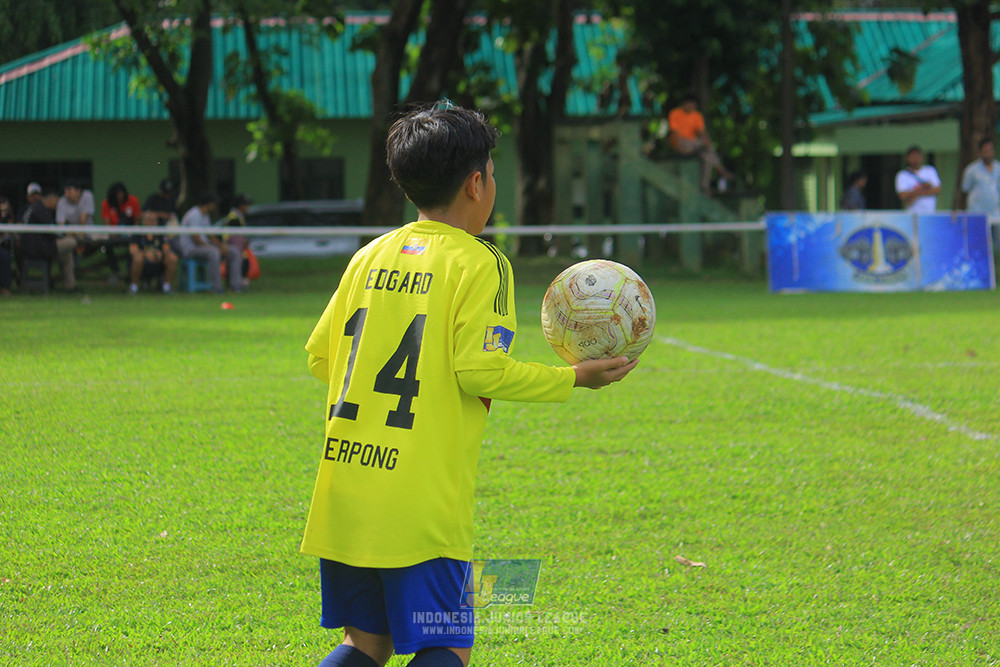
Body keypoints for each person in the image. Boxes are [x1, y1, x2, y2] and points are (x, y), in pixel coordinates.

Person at [301, 103, 638, 667]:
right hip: (419, 505)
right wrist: (571, 379)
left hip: (346, 488)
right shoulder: (481, 263)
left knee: (364, 644)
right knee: (445, 642)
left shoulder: (368, 255)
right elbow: (479, 371)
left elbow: (320, 357)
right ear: (477, 182)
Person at [667, 94, 733, 195]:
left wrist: (708, 143)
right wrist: (680, 148)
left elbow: (702, 132)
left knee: (707, 156)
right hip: (681, 143)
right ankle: (720, 168)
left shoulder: (697, 115)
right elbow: (675, 133)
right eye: (690, 104)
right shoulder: (675, 113)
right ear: (684, 104)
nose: (692, 107)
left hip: (694, 144)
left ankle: (705, 186)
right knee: (705, 148)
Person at [178, 192, 242, 293]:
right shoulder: (194, 215)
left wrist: (221, 245)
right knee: (214, 253)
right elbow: (196, 239)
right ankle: (216, 288)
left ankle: (235, 285)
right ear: (209, 204)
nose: (215, 206)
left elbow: (209, 235)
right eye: (214, 203)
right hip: (191, 249)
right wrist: (216, 248)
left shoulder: (205, 215)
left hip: (204, 247)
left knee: (233, 251)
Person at [21, 185, 78, 291]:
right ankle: (68, 284)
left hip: (30, 247)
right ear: (50, 199)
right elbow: (53, 232)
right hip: (38, 249)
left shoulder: (32, 207)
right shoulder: (41, 210)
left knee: (66, 254)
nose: (57, 204)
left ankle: (70, 287)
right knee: (72, 242)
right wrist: (66, 234)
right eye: (56, 201)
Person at [100, 181, 143, 285]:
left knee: (134, 249)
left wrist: (134, 233)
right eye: (117, 195)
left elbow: (137, 220)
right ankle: (116, 271)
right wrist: (112, 233)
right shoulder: (107, 204)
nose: (120, 197)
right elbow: (107, 224)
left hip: (131, 235)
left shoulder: (133, 201)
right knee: (106, 246)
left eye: (122, 194)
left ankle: (131, 275)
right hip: (114, 235)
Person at [127, 212, 178, 294]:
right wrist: (146, 254)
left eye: (154, 220)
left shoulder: (160, 233)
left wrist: (159, 254)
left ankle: (166, 287)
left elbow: (166, 249)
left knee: (172, 258)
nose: (152, 223)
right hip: (143, 262)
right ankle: (133, 287)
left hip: (158, 262)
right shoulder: (137, 233)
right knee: (137, 258)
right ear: (143, 221)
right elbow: (133, 250)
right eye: (149, 220)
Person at [895, 145, 941, 213]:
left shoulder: (930, 170)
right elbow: (902, 195)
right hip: (912, 214)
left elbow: (937, 189)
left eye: (918, 156)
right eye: (913, 156)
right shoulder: (902, 175)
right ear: (908, 158)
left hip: (930, 213)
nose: (916, 159)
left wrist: (916, 194)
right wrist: (923, 188)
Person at [144, 179, 181, 256]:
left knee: (179, 249)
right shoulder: (153, 199)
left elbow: (174, 216)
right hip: (153, 232)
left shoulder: (171, 201)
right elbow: (144, 214)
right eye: (165, 192)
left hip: (168, 234)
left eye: (168, 192)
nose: (167, 195)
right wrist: (160, 215)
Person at [0, 196, 14, 294]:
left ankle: (4, 287)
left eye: (5, 209)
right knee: (4, 256)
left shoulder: (9, 219)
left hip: (5, 247)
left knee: (6, 255)